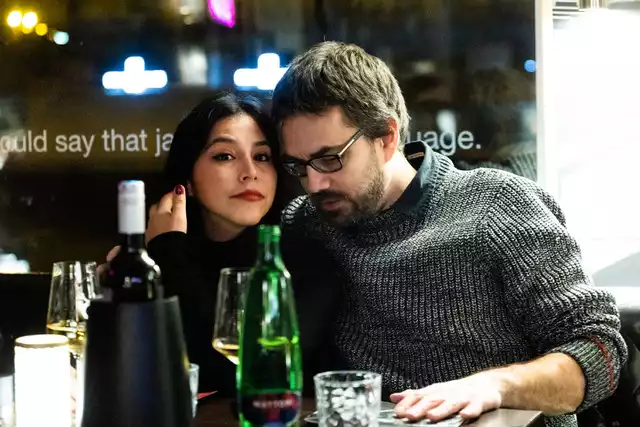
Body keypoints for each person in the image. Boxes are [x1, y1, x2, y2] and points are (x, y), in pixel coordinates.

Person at [271, 41, 627, 427]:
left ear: (387, 137)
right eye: (298, 165)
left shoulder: (497, 205)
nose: (315, 183)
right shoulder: (307, 222)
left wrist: (495, 386)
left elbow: (600, 351)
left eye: (330, 159)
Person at [105, 93, 301, 396]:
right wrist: (162, 254)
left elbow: (238, 374)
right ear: (189, 180)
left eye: (262, 157)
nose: (250, 172)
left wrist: (168, 250)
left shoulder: (299, 258)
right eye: (225, 156)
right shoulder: (153, 260)